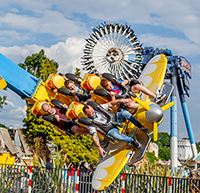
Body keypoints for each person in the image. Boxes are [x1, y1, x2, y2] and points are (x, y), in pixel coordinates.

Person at [100, 78, 165, 104]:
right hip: (124, 99)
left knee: (137, 86)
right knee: (129, 104)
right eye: (108, 86)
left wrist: (124, 82)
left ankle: (155, 97)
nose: (110, 86)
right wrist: (112, 97)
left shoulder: (115, 83)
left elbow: (127, 80)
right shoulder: (109, 94)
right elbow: (113, 105)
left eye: (110, 84)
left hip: (128, 90)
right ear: (105, 88)